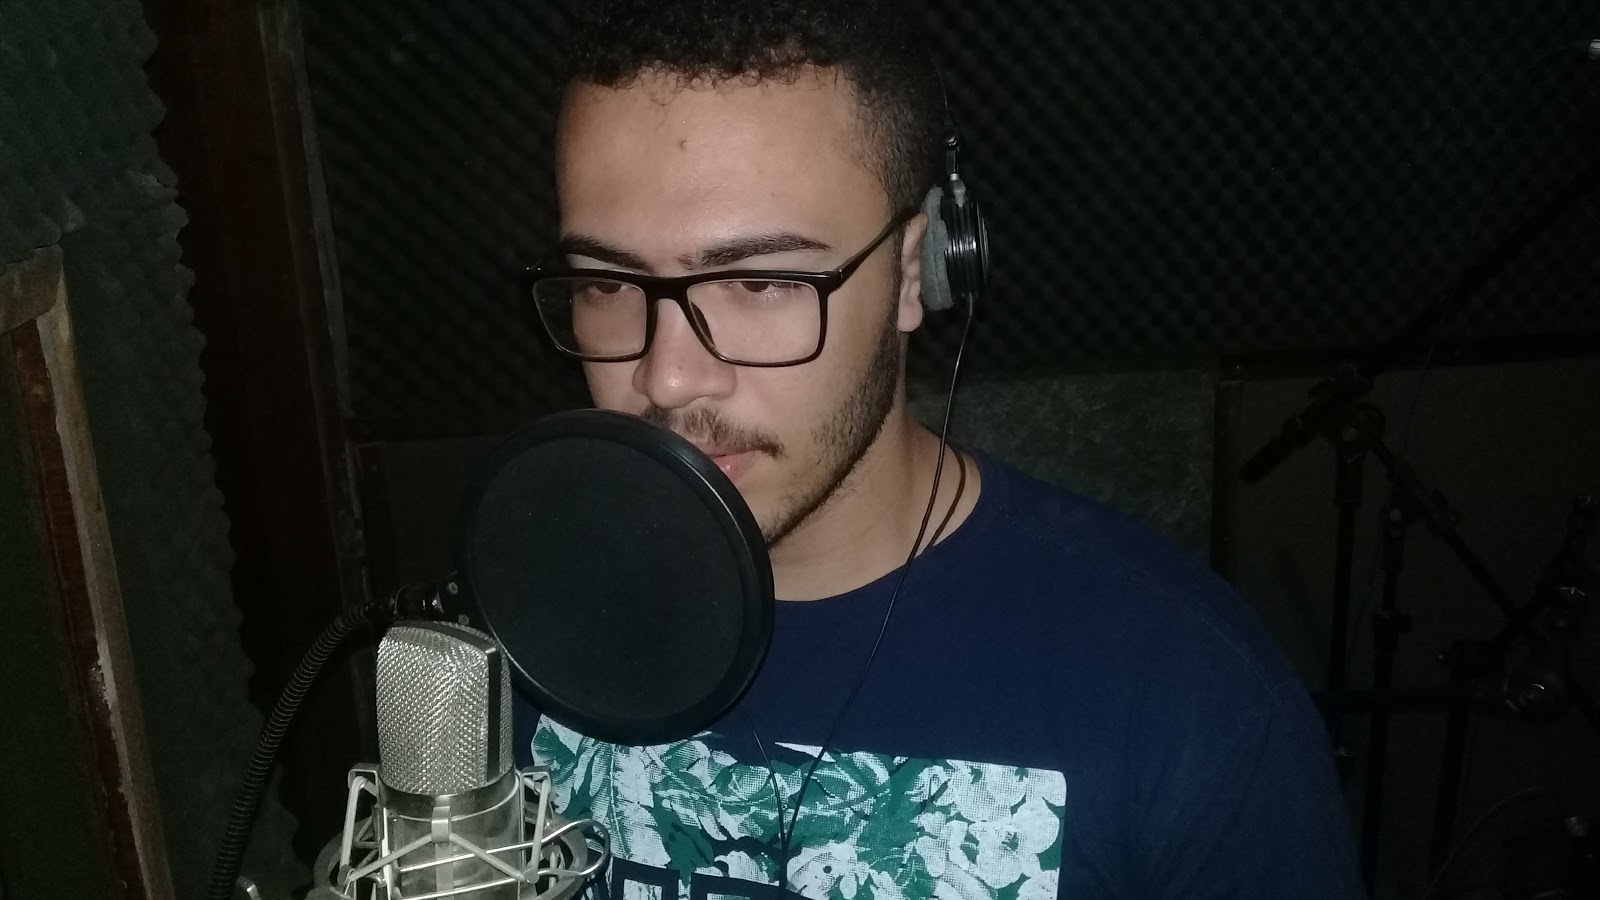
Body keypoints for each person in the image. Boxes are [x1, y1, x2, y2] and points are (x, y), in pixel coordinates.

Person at [514, 1, 1363, 898]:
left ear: (915, 271)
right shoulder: (517, 621)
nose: (668, 376)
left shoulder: (1187, 698)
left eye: (761, 282)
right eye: (607, 283)